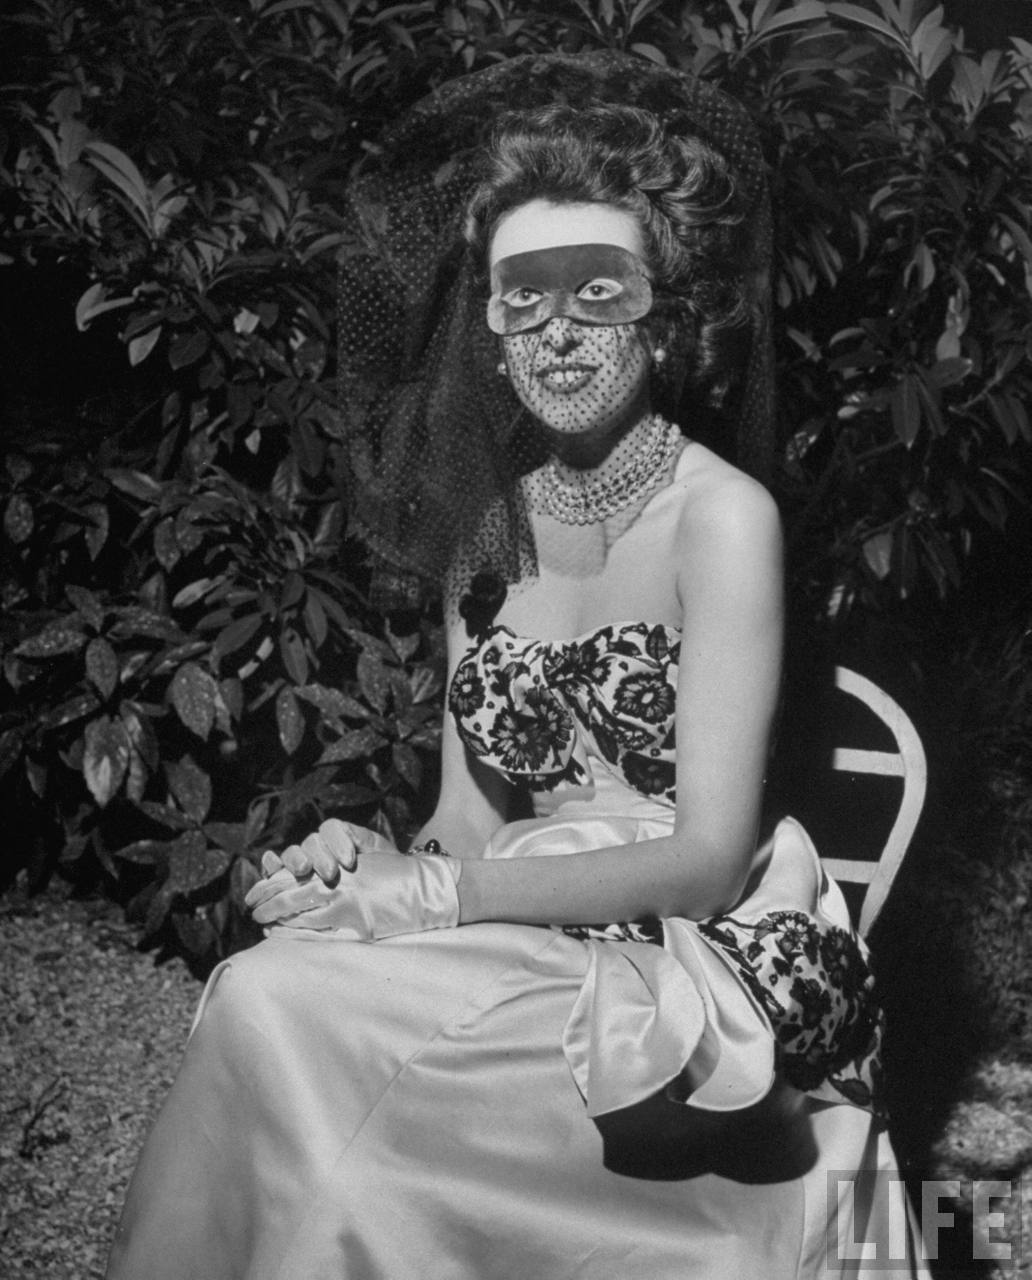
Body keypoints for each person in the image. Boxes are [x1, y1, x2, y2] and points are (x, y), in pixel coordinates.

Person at [107, 53, 928, 1279]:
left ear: (667, 311)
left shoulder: (722, 518)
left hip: (677, 950)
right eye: (520, 300)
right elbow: (466, 821)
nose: (557, 333)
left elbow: (708, 856)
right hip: (513, 919)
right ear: (487, 333)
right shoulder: (486, 537)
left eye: (598, 292)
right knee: (263, 989)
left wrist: (436, 895)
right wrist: (368, 860)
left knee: (365, 1135)